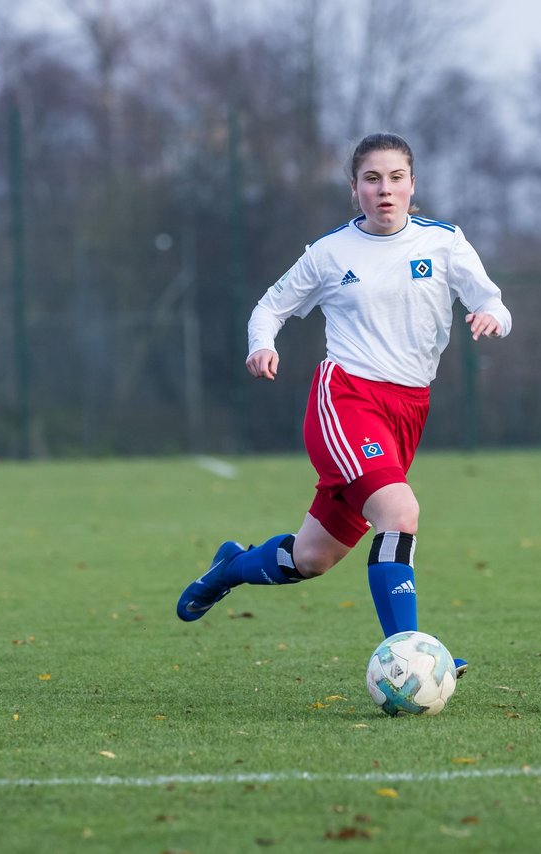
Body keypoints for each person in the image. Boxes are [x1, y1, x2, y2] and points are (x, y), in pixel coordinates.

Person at [175, 132, 512, 677]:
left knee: (310, 559)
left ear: (412, 185)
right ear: (354, 188)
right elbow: (269, 308)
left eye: (396, 178)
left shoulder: (445, 242)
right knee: (399, 513)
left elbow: (492, 300)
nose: (385, 189)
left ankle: (230, 567)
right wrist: (262, 345)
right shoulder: (330, 253)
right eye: (372, 179)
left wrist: (493, 317)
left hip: (408, 409)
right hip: (346, 398)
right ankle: (410, 656)